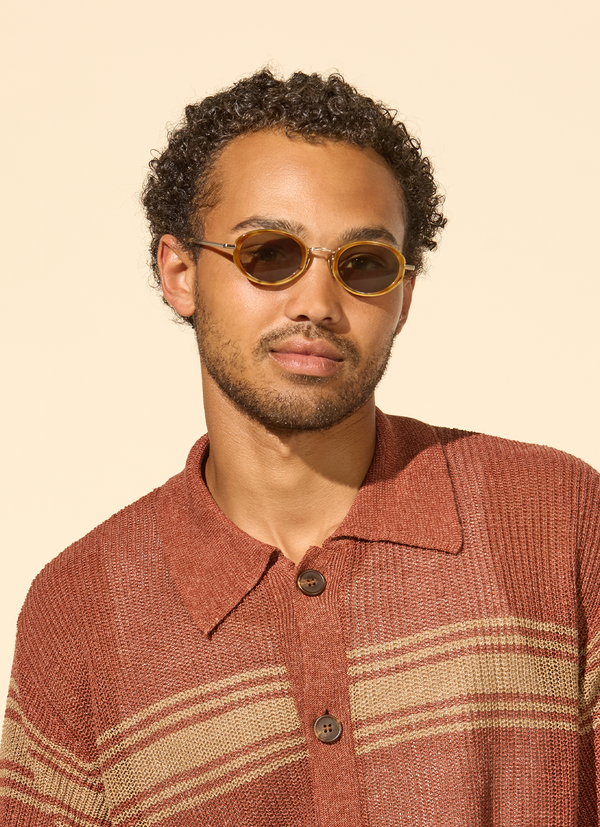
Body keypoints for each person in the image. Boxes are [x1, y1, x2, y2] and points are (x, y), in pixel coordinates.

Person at [1, 68, 599, 827]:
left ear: (404, 298)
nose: (317, 303)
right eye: (270, 254)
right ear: (180, 273)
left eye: (365, 264)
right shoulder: (80, 612)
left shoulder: (555, 519)